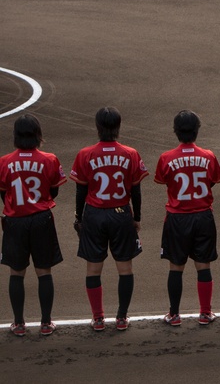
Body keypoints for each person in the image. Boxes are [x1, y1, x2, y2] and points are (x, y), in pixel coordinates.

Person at [71, 106, 149, 332]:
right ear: (118, 127)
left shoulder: (86, 154)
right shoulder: (130, 154)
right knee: (125, 269)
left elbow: (80, 191)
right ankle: (122, 318)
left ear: (97, 127)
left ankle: (98, 318)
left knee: (93, 270)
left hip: (94, 215)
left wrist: (79, 217)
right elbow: (136, 191)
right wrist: (136, 217)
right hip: (120, 214)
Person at [154, 110, 220, 327]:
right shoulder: (208, 156)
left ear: (176, 131)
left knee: (176, 267)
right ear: (197, 131)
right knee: (203, 265)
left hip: (177, 219)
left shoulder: (166, 158)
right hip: (203, 217)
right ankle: (205, 313)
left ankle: (174, 315)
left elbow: (165, 181)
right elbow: (213, 180)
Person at [0, 115, 66, 337]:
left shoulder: (4, 161)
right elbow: (53, 190)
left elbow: (3, 192)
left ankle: (18, 324)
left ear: (16, 136)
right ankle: (46, 323)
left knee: (16, 272)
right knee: (43, 271)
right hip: (41, 219)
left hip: (15, 220)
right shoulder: (50, 159)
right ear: (38, 135)